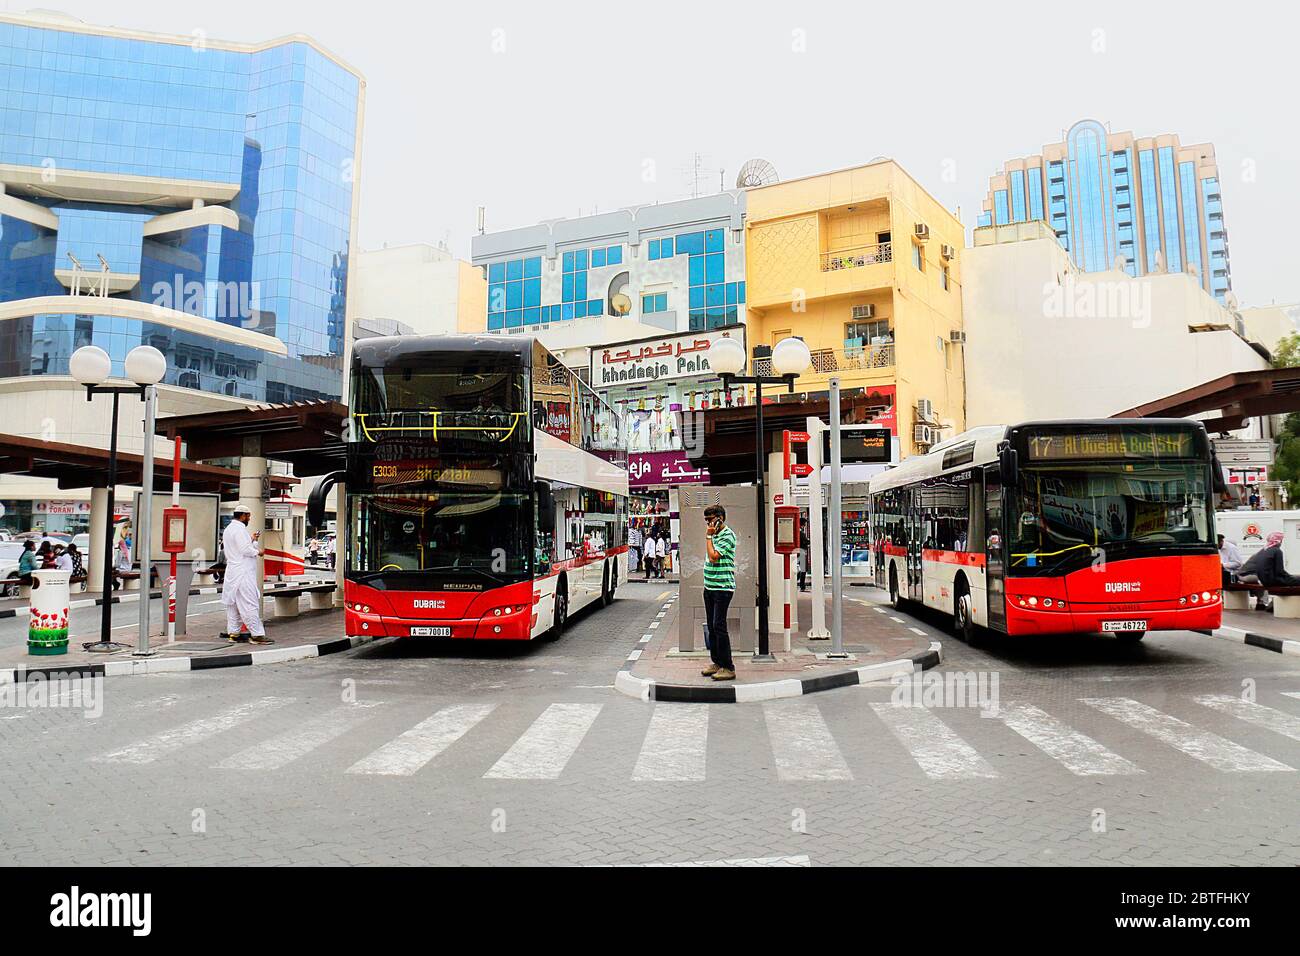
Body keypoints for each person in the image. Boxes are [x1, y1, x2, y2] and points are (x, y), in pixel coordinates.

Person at [220, 504, 272, 644]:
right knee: (250, 603)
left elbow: (239, 547)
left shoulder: (229, 529)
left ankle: (233, 633)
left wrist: (252, 540)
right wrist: (258, 551)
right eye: (248, 516)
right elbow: (245, 550)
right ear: (243, 515)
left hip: (233, 572)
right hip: (243, 573)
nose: (249, 518)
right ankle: (257, 635)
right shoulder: (239, 529)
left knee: (234, 605)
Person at [700, 504, 737, 682]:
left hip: (722, 588)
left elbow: (714, 557)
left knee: (719, 626)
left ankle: (728, 667)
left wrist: (708, 537)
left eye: (710, 519)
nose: (708, 523)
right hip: (710, 587)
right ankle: (716, 662)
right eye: (706, 520)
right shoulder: (714, 534)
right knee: (712, 627)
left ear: (720, 518)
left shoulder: (728, 535)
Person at [1235, 531, 1300, 611]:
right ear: (1279, 541)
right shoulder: (1277, 551)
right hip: (1264, 579)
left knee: (1292, 579)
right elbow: (1279, 571)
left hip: (1259, 578)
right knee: (1297, 579)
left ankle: (1267, 604)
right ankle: (1271, 605)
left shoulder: (1264, 550)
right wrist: (1289, 577)